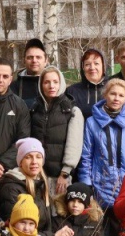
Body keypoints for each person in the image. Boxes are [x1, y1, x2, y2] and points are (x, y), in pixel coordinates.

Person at [77, 78, 125, 236]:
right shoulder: (92, 122)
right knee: (101, 228)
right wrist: (87, 183)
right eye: (112, 94)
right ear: (105, 95)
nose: (116, 98)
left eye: (121, 95)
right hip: (100, 182)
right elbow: (86, 155)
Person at [30, 66, 84, 196]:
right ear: (41, 84)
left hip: (60, 177)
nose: (51, 86)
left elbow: (74, 145)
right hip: (37, 174)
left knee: (58, 213)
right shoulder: (34, 109)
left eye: (55, 82)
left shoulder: (72, 110)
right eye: (47, 82)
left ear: (61, 84)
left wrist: (65, 173)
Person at [0, 138, 53, 235]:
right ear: (20, 161)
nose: (34, 161)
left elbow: (48, 226)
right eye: (28, 157)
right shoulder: (10, 188)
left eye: (38, 157)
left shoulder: (42, 185)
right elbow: (19, 232)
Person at [65, 48, 108, 118]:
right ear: (83, 68)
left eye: (96, 63)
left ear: (103, 66)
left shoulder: (113, 89)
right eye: (87, 64)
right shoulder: (71, 92)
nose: (92, 67)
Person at [10, 38, 46, 110]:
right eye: (30, 57)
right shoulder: (13, 87)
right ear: (24, 60)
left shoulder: (55, 85)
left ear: (46, 60)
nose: (34, 60)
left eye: (38, 57)